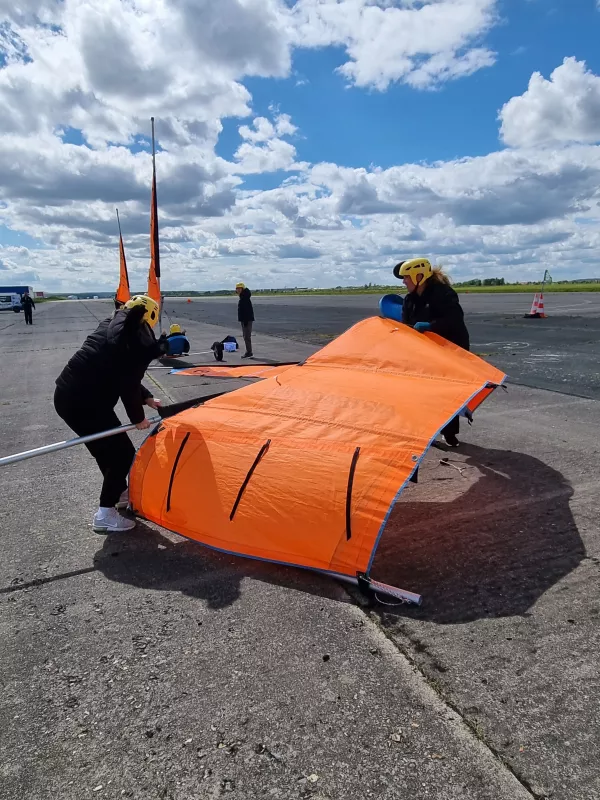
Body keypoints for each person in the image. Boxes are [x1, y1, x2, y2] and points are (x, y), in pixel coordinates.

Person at [53, 295, 168, 533]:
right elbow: (128, 383)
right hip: (86, 403)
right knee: (123, 455)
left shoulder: (113, 325)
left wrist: (146, 397)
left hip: (68, 396)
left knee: (107, 452)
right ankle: (105, 514)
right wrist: (138, 418)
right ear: (150, 319)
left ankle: (119, 493)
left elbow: (122, 371)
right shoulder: (134, 339)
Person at [394, 257, 470, 447]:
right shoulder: (409, 300)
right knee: (425, 391)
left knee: (448, 392)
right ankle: (427, 430)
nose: (404, 282)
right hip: (426, 350)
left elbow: (455, 319)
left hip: (451, 348)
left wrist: (431, 326)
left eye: (406, 277)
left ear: (418, 277)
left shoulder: (443, 294)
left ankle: (449, 433)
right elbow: (406, 323)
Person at [236, 282, 254, 358]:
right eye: (237, 288)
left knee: (247, 336)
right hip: (244, 320)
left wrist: (246, 320)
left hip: (246, 320)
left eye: (239, 288)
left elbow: (247, 310)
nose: (238, 290)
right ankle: (249, 351)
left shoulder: (244, 298)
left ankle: (249, 352)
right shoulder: (243, 297)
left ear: (242, 289)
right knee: (245, 336)